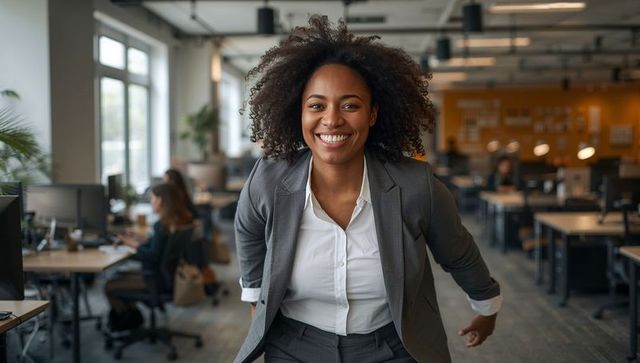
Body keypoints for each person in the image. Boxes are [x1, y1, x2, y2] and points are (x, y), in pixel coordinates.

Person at [235, 16, 501, 363]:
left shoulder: (415, 186)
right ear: (298, 113)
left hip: (392, 345)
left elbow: (458, 251)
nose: (332, 120)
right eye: (316, 105)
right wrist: (257, 299)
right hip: (294, 345)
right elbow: (248, 230)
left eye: (350, 105)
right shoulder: (268, 179)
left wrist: (487, 308)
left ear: (373, 113)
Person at [104, 183, 194, 330]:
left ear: (160, 200)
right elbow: (160, 247)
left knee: (110, 285)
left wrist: (131, 246)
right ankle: (133, 319)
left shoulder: (161, 225)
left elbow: (153, 255)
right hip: (166, 277)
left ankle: (129, 322)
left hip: (154, 279)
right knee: (119, 275)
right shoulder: (177, 221)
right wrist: (140, 239)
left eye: (152, 197)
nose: (151, 201)